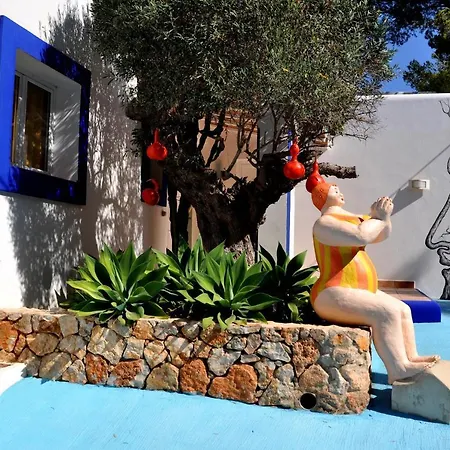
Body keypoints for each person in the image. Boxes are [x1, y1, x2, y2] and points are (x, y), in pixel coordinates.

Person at [307, 161, 439, 384]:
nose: (338, 190)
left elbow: (379, 234)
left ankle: (411, 358)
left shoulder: (351, 218)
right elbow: (362, 235)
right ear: (322, 196)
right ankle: (398, 369)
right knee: (386, 312)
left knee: (403, 309)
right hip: (331, 293)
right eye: (333, 189)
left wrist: (383, 218)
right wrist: (378, 218)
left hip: (355, 289)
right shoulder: (325, 223)